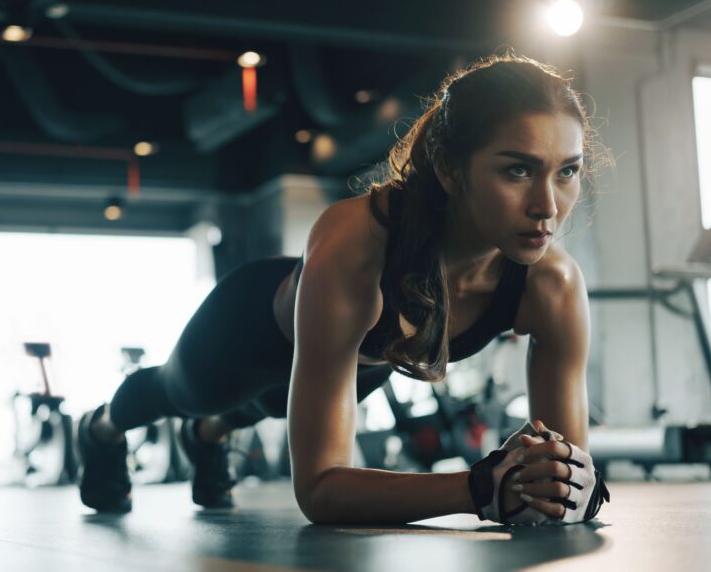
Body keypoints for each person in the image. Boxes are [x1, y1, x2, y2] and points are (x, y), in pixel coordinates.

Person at [77, 53, 612, 526]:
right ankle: (100, 428)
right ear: (450, 169)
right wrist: (479, 488)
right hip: (249, 332)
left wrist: (560, 482)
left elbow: (568, 472)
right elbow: (319, 490)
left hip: (363, 364)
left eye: (567, 172)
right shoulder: (356, 246)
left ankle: (208, 436)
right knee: (180, 394)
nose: (548, 206)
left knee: (265, 407)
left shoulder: (553, 285)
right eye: (518, 170)